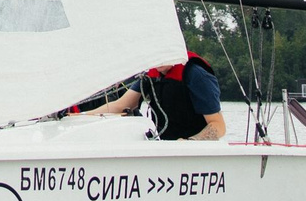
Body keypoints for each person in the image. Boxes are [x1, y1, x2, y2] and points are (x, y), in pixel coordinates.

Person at [85, 51, 226, 140]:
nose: (159, 58)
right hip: (164, 148)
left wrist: (190, 142)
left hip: (193, 154)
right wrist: (83, 116)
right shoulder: (151, 76)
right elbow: (121, 105)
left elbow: (219, 126)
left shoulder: (196, 74)